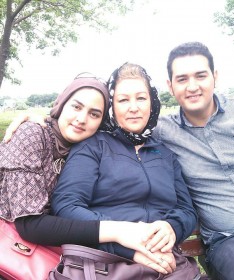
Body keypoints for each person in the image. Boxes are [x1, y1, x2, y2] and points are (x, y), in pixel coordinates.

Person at [0, 74, 169, 274]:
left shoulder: (83, 147)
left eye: (94, 114)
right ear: (61, 104)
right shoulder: (33, 134)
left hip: (50, 252)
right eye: (76, 107)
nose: (82, 119)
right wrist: (118, 232)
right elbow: (29, 224)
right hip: (12, 249)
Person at [50, 63, 200, 279]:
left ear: (152, 102)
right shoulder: (93, 146)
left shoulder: (164, 153)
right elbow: (66, 206)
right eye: (123, 100)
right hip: (105, 262)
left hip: (165, 263)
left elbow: (186, 209)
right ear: (112, 106)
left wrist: (172, 227)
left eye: (141, 98)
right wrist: (127, 246)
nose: (133, 107)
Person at [153, 41, 234, 280]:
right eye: (182, 79)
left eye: (201, 75)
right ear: (170, 86)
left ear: (215, 77)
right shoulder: (163, 132)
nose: (192, 86)